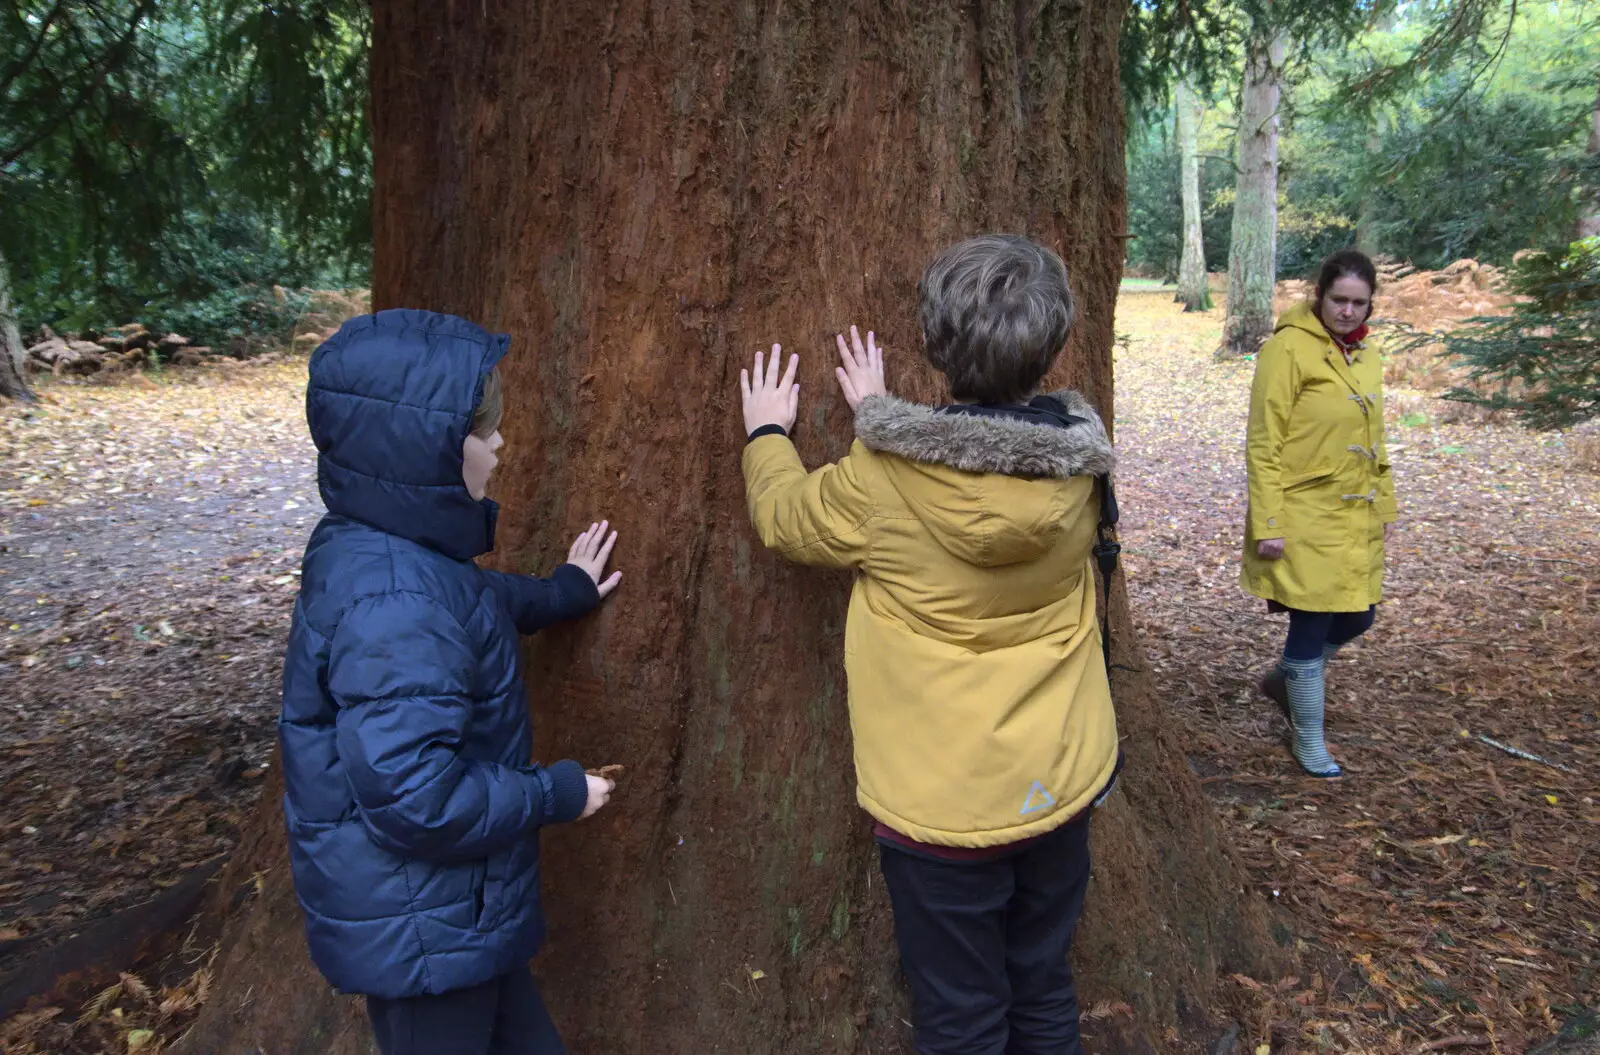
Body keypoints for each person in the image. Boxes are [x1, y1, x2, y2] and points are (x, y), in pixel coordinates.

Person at [736, 235, 1120, 1054]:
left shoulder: (882, 478)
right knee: (1043, 987)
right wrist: (884, 420)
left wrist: (767, 436)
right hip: (1056, 784)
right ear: (1051, 343)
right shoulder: (1083, 468)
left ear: (937, 345)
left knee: (960, 1015)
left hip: (940, 811)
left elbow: (787, 518)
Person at [279, 309, 621, 1055]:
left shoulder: (379, 552)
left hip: (449, 918)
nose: (497, 443)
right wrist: (555, 792)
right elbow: (416, 796)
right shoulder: (396, 603)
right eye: (478, 429)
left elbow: (464, 605)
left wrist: (561, 592)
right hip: (422, 932)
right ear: (420, 450)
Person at [1241, 249, 1397, 778]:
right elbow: (1264, 441)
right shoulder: (1287, 349)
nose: (1348, 312)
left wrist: (1386, 505)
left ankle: (1285, 679)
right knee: (1311, 622)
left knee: (1361, 614)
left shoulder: (1368, 353)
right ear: (1320, 295)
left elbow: (1374, 437)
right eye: (1339, 300)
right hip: (1302, 510)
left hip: (1357, 513)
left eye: (1359, 302)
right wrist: (1269, 523)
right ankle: (1308, 736)